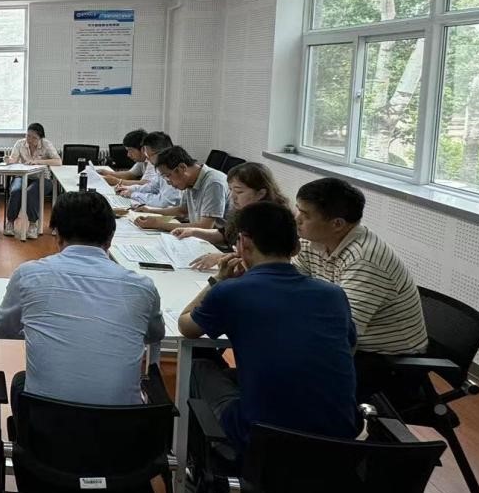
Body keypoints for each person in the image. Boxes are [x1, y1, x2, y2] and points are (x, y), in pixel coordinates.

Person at [177, 202, 359, 449]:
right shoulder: (333, 294)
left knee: (198, 366)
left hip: (262, 438)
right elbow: (349, 345)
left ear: (243, 243)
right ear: (296, 247)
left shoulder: (231, 291)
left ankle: (203, 457)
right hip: (339, 440)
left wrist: (218, 279)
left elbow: (186, 326)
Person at [0, 191, 164, 407]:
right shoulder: (142, 287)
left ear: (57, 235)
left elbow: (1, 326)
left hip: (45, 422)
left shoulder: (29, 275)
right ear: (110, 238)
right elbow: (155, 334)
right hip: (123, 423)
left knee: (20, 381)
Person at [294, 177, 428, 365]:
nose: (297, 219)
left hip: (386, 359)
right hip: (349, 341)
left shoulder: (364, 260)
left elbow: (344, 331)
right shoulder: (313, 241)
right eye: (298, 210)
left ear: (337, 224)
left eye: (305, 215)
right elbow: (290, 286)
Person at [180, 162, 289, 270]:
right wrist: (193, 232)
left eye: (239, 192)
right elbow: (226, 235)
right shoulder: (244, 211)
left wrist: (221, 257)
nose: (233, 196)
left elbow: (264, 259)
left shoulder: (273, 219)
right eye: (231, 190)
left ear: (261, 193)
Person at [133, 145, 228, 232]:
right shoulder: (190, 181)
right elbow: (182, 210)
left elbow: (206, 227)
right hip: (197, 235)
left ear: (182, 168)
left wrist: (159, 224)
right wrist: (150, 210)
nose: (168, 182)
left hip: (216, 242)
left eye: (167, 176)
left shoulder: (214, 183)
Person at [4, 121, 62, 238]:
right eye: (28, 136)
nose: (29, 139)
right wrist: (9, 160)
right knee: (16, 191)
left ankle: (32, 225)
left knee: (31, 192)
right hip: (22, 176)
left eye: (34, 137)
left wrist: (38, 161)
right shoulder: (20, 143)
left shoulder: (46, 144)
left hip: (42, 178)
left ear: (40, 138)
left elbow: (58, 161)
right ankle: (10, 222)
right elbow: (13, 159)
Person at [117, 131, 180, 208]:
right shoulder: (160, 167)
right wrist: (130, 189)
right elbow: (152, 187)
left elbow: (165, 202)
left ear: (160, 153)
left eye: (148, 155)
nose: (147, 158)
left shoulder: (172, 169)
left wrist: (133, 194)